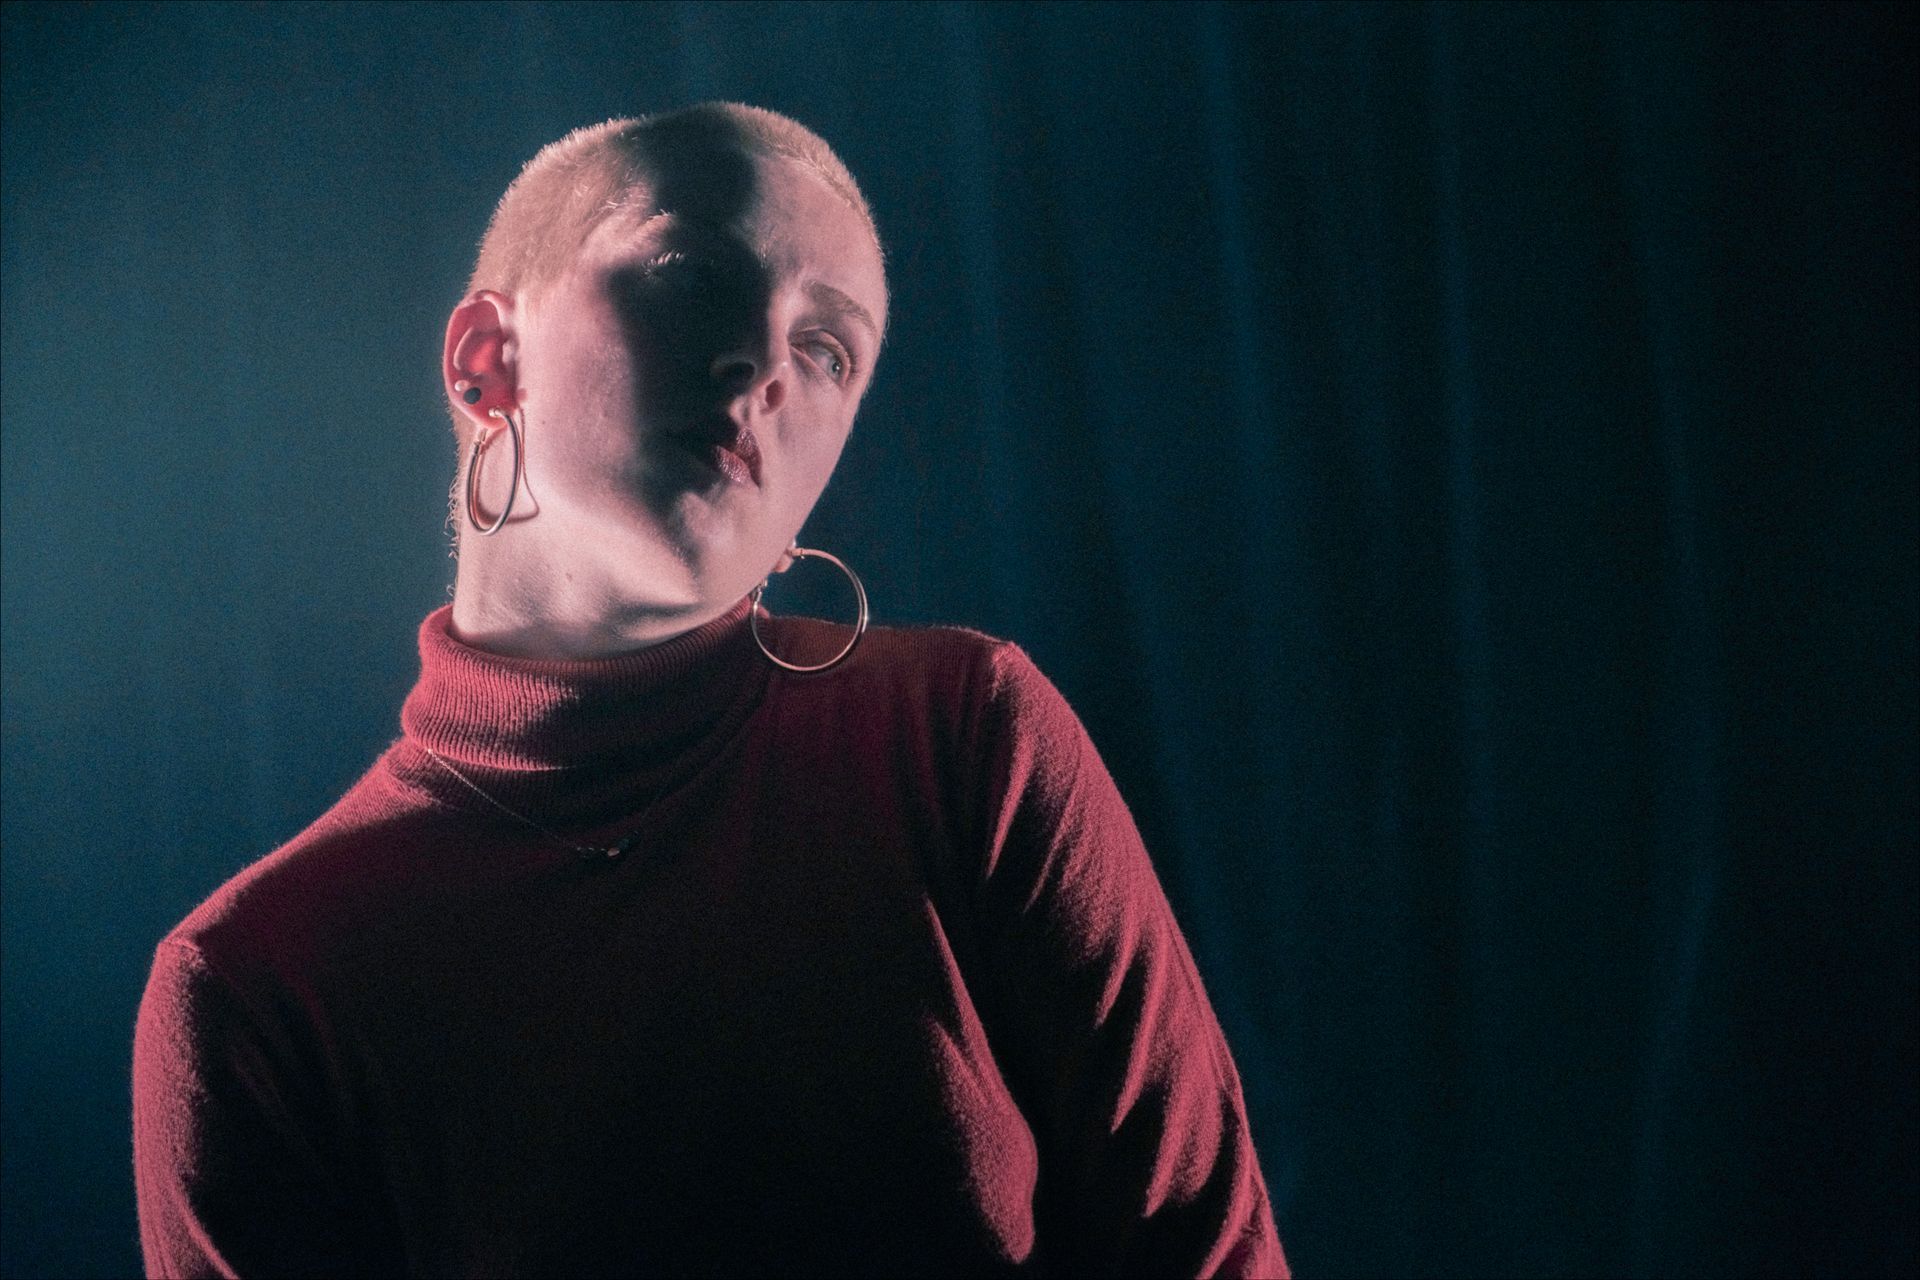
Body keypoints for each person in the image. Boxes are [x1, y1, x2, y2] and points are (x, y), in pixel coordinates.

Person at [131, 103, 1288, 1278]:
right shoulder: (256, 982)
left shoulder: (963, 736)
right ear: (490, 361)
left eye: (830, 348)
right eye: (692, 275)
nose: (767, 363)